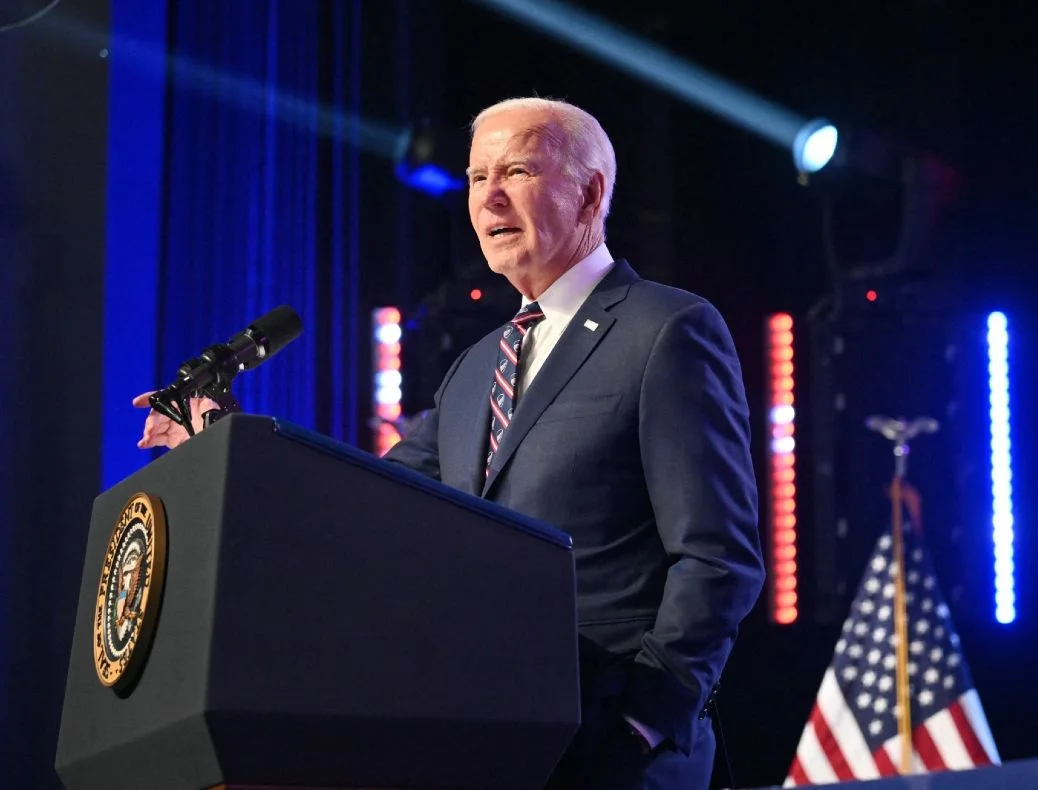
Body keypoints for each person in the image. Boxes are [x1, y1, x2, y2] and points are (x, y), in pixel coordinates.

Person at [135, 97, 765, 790]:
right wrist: (228, 444)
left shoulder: (665, 330)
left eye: (517, 169)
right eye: (475, 177)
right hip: (482, 741)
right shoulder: (475, 369)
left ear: (590, 192)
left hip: (614, 750)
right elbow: (364, 500)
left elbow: (717, 557)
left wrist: (644, 720)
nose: (489, 195)